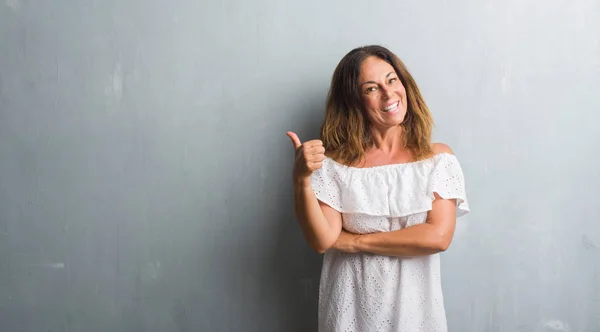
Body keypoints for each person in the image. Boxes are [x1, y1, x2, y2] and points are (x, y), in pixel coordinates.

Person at [286, 45, 470, 332]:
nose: (388, 93)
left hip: (416, 318)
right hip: (349, 316)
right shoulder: (335, 166)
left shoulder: (437, 159)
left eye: (392, 80)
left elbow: (437, 237)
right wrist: (301, 180)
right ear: (354, 101)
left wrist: (357, 242)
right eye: (371, 88)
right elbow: (323, 239)